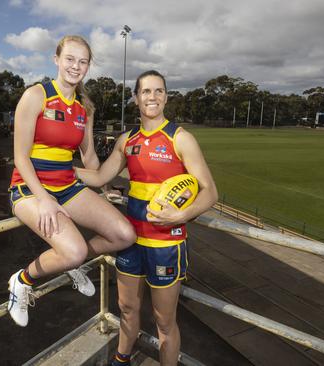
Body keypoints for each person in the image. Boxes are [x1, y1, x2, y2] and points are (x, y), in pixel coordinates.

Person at [75, 70, 218, 365]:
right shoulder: (128, 140)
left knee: (164, 322)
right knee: (127, 308)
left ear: (165, 97)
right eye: (146, 92)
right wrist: (56, 170)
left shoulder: (181, 139)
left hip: (166, 245)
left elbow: (210, 192)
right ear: (136, 98)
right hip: (131, 242)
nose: (152, 97)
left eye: (158, 91)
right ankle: (122, 358)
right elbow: (101, 175)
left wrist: (181, 214)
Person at [7, 35, 136, 327]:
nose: (75, 66)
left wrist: (104, 190)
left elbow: (89, 157)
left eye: (82, 61)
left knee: (123, 234)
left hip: (67, 186)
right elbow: (20, 157)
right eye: (70, 59)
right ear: (56, 60)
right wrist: (43, 199)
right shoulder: (36, 95)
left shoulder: (84, 107)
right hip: (29, 188)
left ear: (88, 66)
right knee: (75, 250)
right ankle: (21, 281)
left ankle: (69, 263)